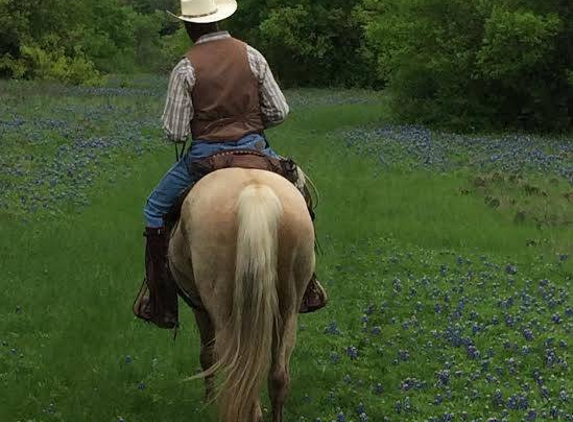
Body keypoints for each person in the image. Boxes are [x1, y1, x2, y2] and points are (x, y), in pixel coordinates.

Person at [132, 0, 327, 330]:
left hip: (205, 157)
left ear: (188, 26)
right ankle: (307, 285)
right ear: (221, 20)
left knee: (154, 209)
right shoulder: (252, 55)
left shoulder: (185, 68)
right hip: (256, 149)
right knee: (301, 197)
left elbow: (175, 131)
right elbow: (279, 111)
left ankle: (160, 302)